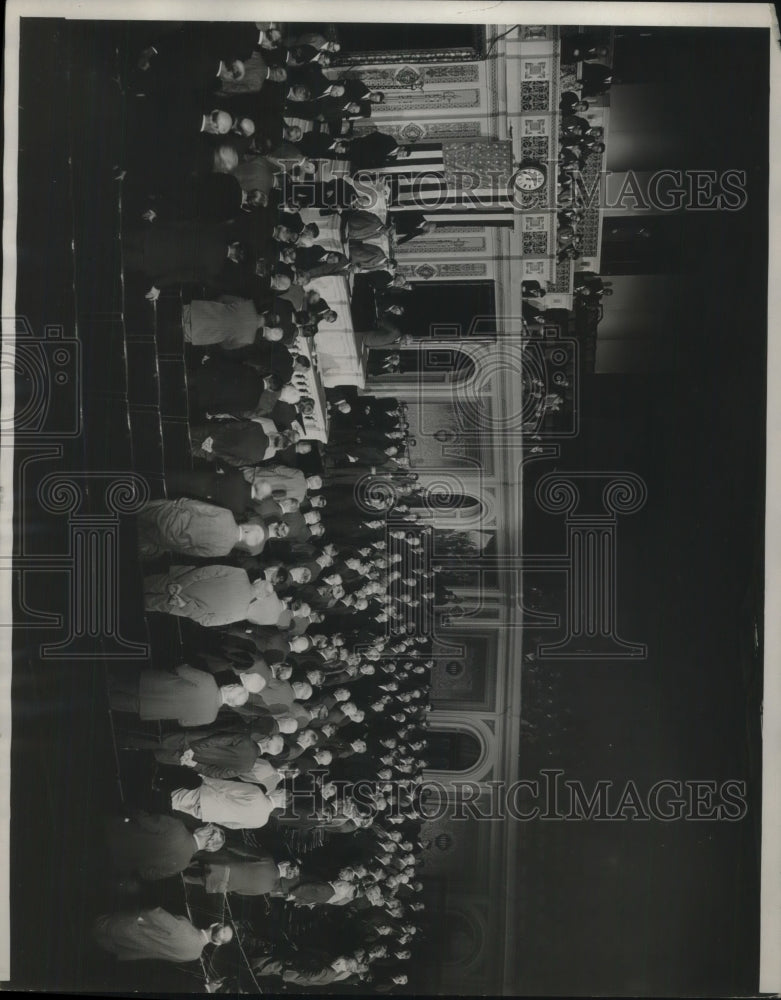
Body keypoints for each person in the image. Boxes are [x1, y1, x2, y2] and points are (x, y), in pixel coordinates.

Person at [144, 565, 293, 628]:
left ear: (257, 581)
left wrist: (181, 584)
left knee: (145, 582)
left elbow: (205, 571)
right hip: (176, 605)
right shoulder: (240, 614)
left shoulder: (240, 573)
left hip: (178, 581)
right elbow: (207, 621)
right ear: (260, 598)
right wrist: (184, 605)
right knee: (146, 603)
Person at [122, 223, 244, 300]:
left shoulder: (214, 231)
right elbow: (179, 275)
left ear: (235, 243)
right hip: (154, 262)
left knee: (115, 235)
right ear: (234, 260)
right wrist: (157, 286)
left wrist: (158, 224)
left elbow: (183, 224)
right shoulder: (213, 269)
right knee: (115, 257)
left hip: (155, 236)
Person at [107, 664, 248, 726]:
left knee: (112, 682)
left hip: (148, 684)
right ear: (231, 704)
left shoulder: (208, 680)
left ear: (230, 687)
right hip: (150, 709)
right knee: (109, 701)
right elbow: (183, 722)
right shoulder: (210, 718)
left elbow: (181, 669)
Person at [104, 813, 225, 881]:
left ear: (208, 833)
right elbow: (148, 875)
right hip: (114, 863)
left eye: (207, 827)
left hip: (111, 832)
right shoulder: (183, 865)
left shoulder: (178, 827)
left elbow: (142, 819)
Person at [136, 498, 268, 559]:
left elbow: (195, 506)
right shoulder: (224, 550)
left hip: (170, 516)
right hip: (170, 539)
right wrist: (172, 544)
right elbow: (193, 552)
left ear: (247, 529)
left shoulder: (227, 515)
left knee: (135, 511)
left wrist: (178, 504)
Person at [93, 907, 233, 962]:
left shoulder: (185, 926)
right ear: (217, 944)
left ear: (214, 924)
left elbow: (153, 913)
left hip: (120, 928)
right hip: (124, 949)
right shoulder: (194, 955)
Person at [170, 777, 287, 829]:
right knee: (173, 805)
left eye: (279, 790)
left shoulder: (257, 793)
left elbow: (226, 787)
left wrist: (205, 778)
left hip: (204, 797)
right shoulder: (262, 822)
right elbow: (232, 826)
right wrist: (214, 818)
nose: (276, 789)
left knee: (170, 797)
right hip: (206, 815)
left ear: (279, 794)